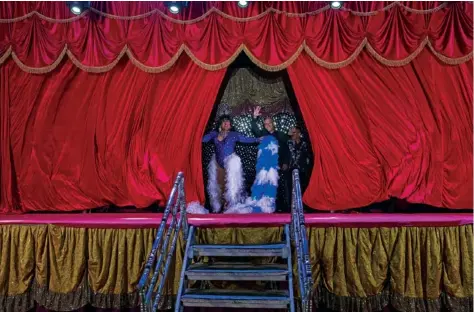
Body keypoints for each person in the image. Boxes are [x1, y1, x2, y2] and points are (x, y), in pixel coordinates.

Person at [202, 115, 260, 213]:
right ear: (221, 124)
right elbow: (203, 139)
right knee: (219, 186)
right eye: (224, 122)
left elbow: (246, 139)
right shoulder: (214, 134)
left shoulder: (234, 134)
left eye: (229, 122)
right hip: (218, 164)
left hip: (230, 162)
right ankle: (218, 208)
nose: (227, 124)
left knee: (231, 186)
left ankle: (231, 205)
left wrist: (258, 139)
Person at [251, 106, 290, 212]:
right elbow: (255, 130)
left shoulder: (281, 135)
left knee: (280, 189)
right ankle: (266, 208)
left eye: (269, 123)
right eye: (265, 124)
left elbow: (287, 150)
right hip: (265, 169)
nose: (267, 125)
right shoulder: (263, 135)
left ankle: (282, 210)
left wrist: (286, 162)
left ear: (274, 124)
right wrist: (254, 118)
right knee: (265, 189)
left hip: (279, 167)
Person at [287, 126, 312, 193]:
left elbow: (308, 155)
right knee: (292, 190)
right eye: (292, 132)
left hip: (302, 170)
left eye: (294, 132)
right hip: (291, 170)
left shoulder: (304, 143)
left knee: (303, 189)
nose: (293, 134)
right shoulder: (288, 143)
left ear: (299, 133)